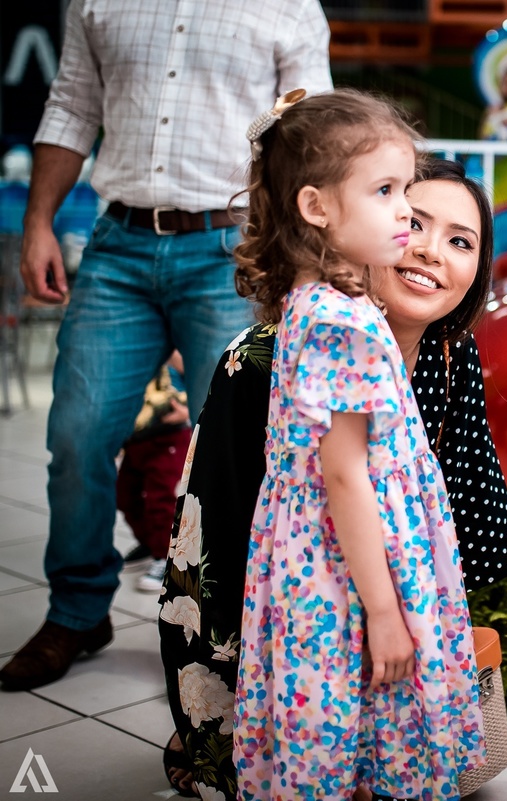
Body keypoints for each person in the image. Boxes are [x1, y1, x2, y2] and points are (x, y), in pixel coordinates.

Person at [160, 106, 507, 795]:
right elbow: (343, 477)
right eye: (392, 196)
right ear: (318, 207)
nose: (414, 229)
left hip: (336, 565)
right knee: (346, 720)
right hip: (341, 573)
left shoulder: (325, 306)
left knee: (349, 719)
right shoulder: (340, 325)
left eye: (459, 239)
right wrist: (390, 611)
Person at [0, 0, 333, 692]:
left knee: (243, 449)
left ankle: (238, 627)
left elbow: (313, 134)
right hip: (117, 245)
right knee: (77, 433)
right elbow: (70, 107)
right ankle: (78, 609)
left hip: (230, 247)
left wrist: (306, 257)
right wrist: (39, 222)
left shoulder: (288, 5)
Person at [116, 351, 192, 593]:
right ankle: (150, 544)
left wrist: (190, 409)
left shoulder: (175, 344)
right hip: (135, 435)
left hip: (169, 432)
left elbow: (201, 371)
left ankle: (165, 557)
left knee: (161, 499)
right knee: (125, 495)